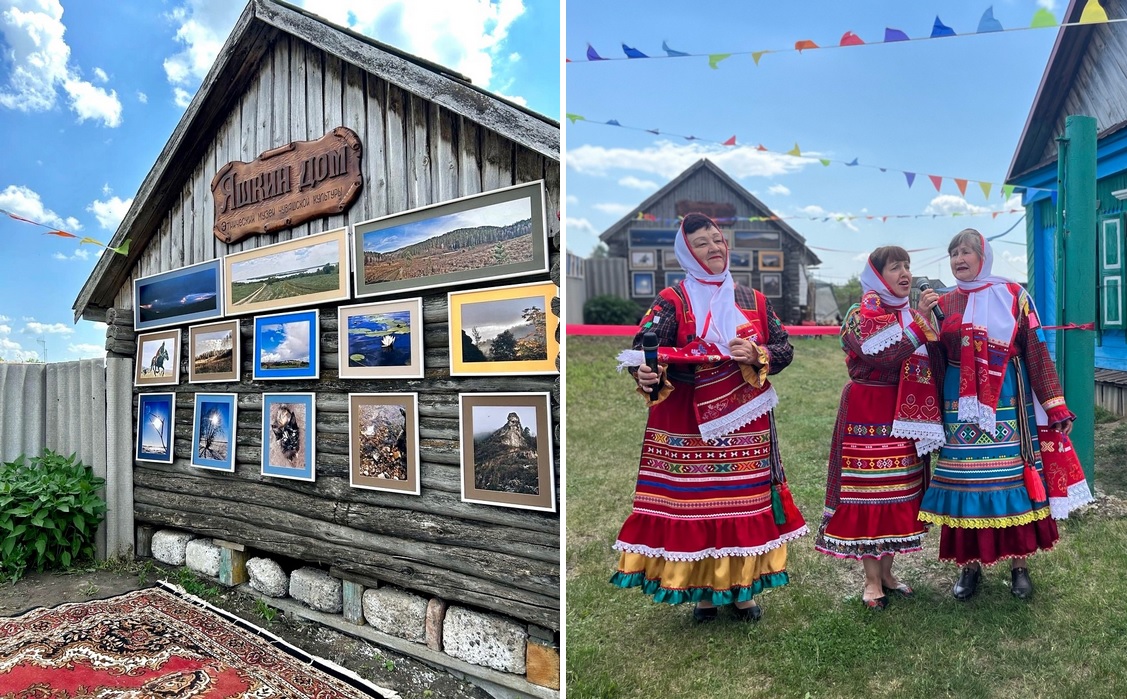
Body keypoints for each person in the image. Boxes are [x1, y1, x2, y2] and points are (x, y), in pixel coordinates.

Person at [610, 212, 808, 623]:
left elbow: (785, 348)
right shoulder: (672, 300)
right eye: (703, 243)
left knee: (740, 504)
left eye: (718, 240)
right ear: (687, 252)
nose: (715, 248)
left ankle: (742, 592)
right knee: (696, 506)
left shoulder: (753, 300)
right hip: (686, 424)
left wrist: (759, 355)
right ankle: (702, 592)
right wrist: (645, 372)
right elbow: (642, 350)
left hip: (744, 426)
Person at [916, 229, 1074, 600]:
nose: (959, 258)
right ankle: (968, 567)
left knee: (1011, 479)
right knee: (967, 481)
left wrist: (1054, 403)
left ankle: (1019, 567)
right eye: (953, 252)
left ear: (983, 256)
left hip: (1007, 399)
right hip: (960, 406)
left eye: (967, 251)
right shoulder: (947, 302)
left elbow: (1034, 348)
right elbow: (935, 358)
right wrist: (925, 322)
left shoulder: (1013, 296)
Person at [815, 246, 942, 609]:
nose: (904, 274)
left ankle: (888, 572)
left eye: (907, 266)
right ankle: (871, 581)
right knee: (869, 492)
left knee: (901, 491)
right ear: (876, 273)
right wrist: (920, 323)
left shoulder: (913, 315)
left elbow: (931, 360)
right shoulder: (861, 314)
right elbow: (883, 356)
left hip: (907, 414)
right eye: (895, 267)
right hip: (867, 409)